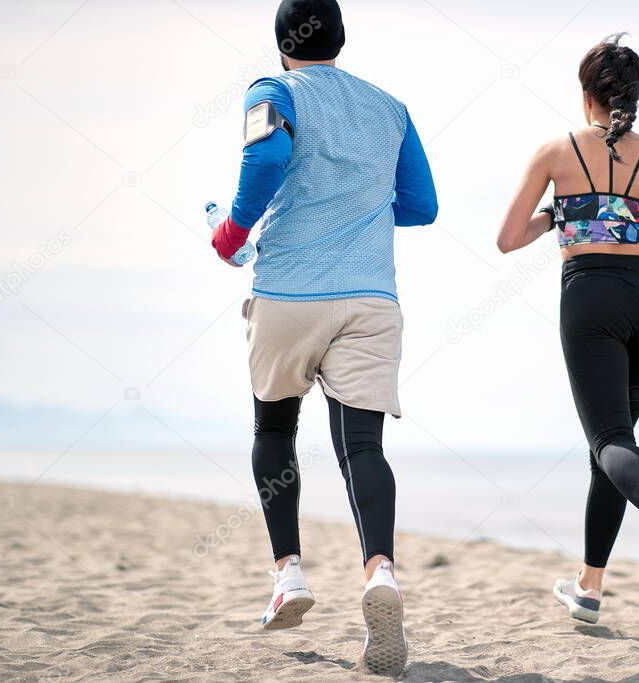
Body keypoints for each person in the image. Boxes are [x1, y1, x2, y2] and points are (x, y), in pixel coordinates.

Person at [210, 0, 437, 674]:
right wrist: (358, 204)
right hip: (371, 298)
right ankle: (380, 572)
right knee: (361, 444)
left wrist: (232, 231)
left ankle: (289, 574)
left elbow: (267, 156)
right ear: (342, 40)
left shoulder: (271, 90)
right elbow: (422, 206)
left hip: (287, 293)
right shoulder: (390, 108)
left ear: (282, 46)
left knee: (274, 431)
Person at [496, 33, 639, 623]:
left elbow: (507, 238)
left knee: (609, 443)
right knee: (614, 444)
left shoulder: (555, 153)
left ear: (586, 98)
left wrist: (561, 215)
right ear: (635, 98)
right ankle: (590, 586)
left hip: (590, 301)